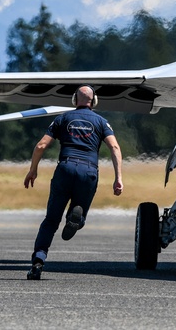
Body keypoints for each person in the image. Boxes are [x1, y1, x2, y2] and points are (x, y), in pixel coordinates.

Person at [24, 85, 123, 280]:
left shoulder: (62, 118)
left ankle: (38, 261)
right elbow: (115, 147)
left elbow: (41, 145)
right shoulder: (102, 122)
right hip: (88, 172)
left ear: (74, 100)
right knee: (79, 213)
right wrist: (118, 178)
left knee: (51, 220)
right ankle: (76, 216)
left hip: (65, 168)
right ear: (94, 102)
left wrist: (33, 169)